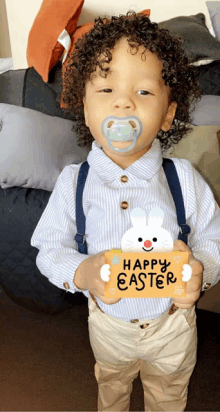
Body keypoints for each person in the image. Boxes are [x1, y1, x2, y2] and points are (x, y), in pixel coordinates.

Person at [31, 11, 220, 411]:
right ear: (84, 108)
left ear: (169, 113)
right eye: (105, 90)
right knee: (112, 389)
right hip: (108, 327)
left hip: (172, 326)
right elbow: (49, 249)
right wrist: (82, 272)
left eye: (145, 93)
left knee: (169, 395)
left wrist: (201, 267)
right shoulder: (73, 183)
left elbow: (213, 237)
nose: (123, 101)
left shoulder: (182, 178)